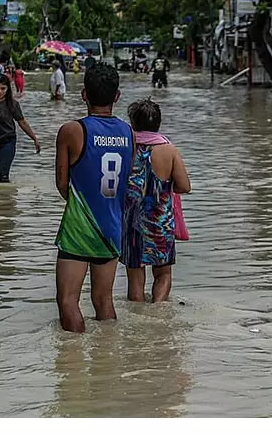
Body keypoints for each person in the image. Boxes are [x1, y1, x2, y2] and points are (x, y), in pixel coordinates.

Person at [54, 63, 135, 333]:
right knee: (103, 300)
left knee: (68, 301)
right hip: (112, 226)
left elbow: (62, 184)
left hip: (80, 227)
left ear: (83, 94)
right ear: (117, 96)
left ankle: (72, 363)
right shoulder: (129, 134)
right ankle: (108, 357)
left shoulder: (72, 131)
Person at [121, 98, 191, 303]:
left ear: (133, 122)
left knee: (135, 278)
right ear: (158, 123)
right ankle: (158, 312)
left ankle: (138, 315)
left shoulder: (126, 147)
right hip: (160, 222)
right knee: (163, 273)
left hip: (131, 221)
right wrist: (164, 189)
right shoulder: (168, 150)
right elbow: (185, 186)